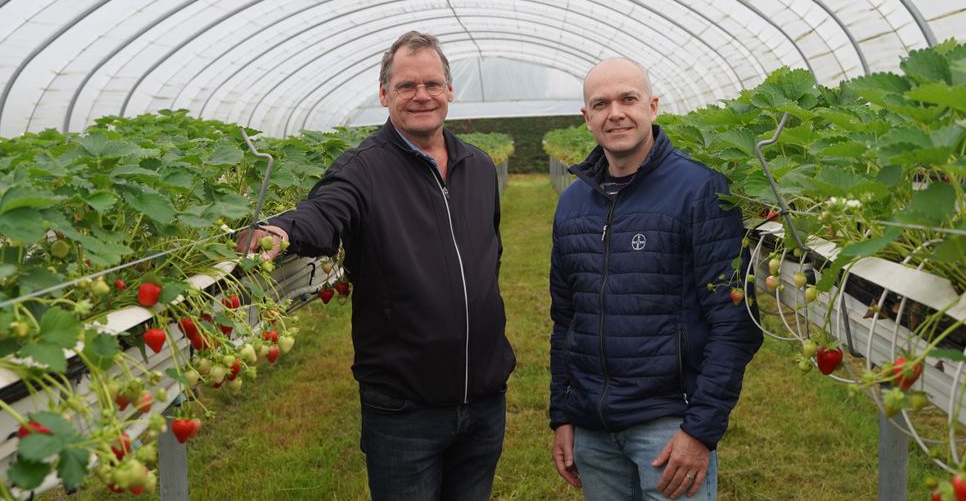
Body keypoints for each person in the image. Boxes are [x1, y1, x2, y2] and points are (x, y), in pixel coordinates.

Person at [238, 31, 515, 501]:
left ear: (450, 89)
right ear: (384, 94)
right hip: (405, 407)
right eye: (406, 86)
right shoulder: (362, 169)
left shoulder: (479, 167)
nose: (421, 95)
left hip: (485, 398)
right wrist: (283, 231)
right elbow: (325, 210)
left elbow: (488, 257)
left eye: (432, 83)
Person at [548, 57, 763, 500]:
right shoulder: (572, 204)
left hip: (668, 427)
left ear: (653, 105)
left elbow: (734, 322)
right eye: (601, 104)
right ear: (586, 118)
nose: (616, 113)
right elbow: (565, 319)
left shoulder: (700, 190)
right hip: (593, 429)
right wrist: (563, 415)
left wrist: (700, 430)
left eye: (628, 99)